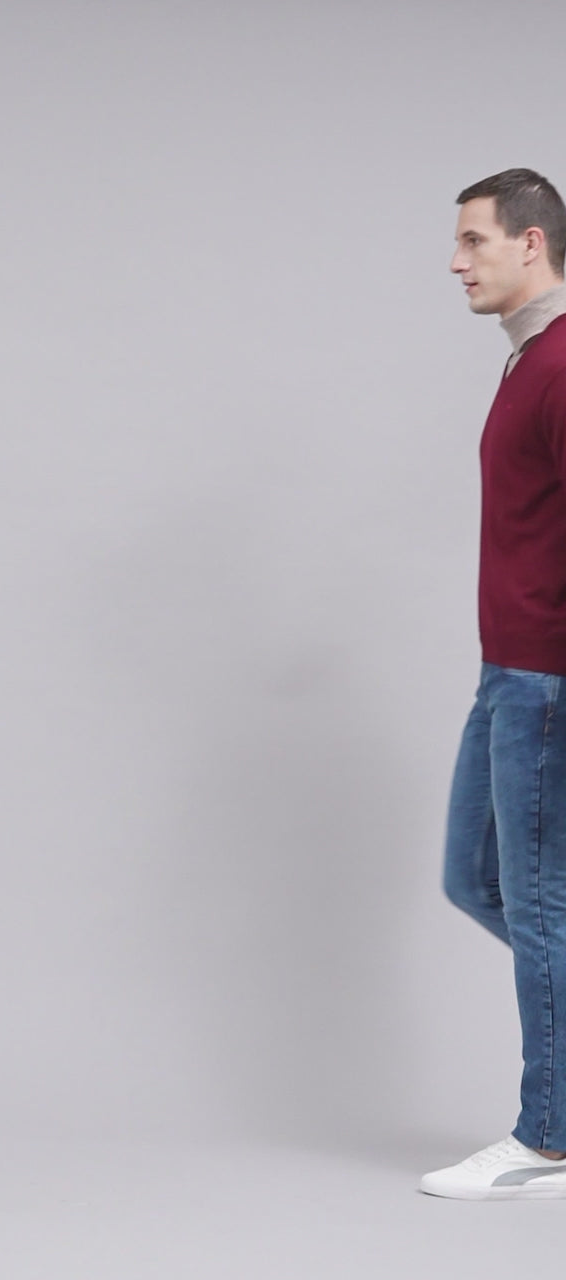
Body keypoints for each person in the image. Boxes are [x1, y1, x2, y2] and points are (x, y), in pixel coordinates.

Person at [420, 168, 566, 1199]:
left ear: (531, 243)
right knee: (476, 879)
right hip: (507, 673)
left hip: (545, 682)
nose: (456, 261)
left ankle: (549, 1137)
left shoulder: (562, 364)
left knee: (542, 898)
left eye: (474, 240)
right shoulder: (527, 360)